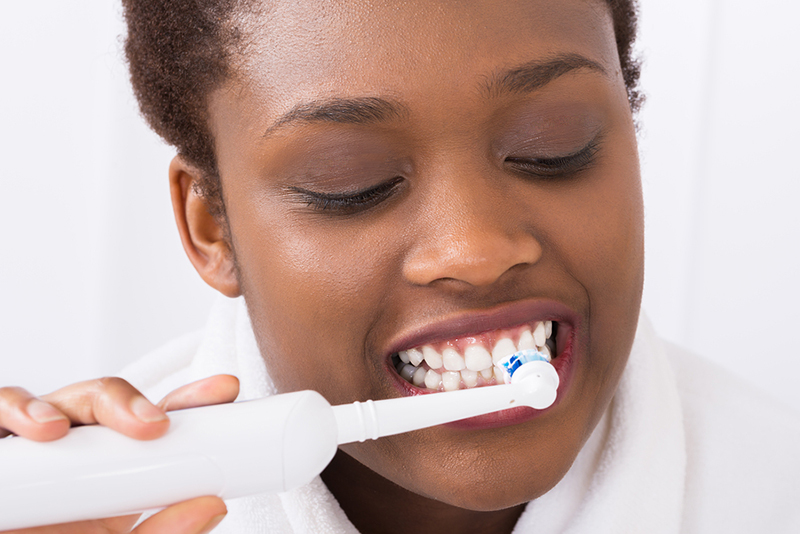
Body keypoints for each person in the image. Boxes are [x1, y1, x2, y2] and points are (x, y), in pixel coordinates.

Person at [1, 1, 798, 533]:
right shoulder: (93, 506)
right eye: (351, 181)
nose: (476, 250)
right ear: (212, 226)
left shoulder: (772, 493)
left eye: (552, 144)